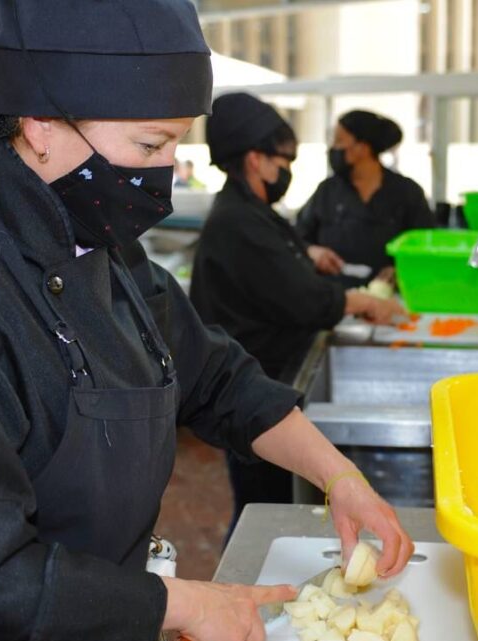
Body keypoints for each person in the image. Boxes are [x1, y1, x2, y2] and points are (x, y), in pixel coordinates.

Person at [0, 3, 412, 641]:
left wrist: (341, 477)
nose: (163, 172)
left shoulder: (96, 245)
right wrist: (180, 605)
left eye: (175, 143)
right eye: (150, 143)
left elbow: (217, 378)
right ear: (42, 124)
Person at [191, 93, 406, 535]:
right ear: (256, 159)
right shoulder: (239, 220)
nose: (286, 170)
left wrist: (305, 254)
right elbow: (305, 300)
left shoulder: (251, 213)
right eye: (283, 160)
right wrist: (365, 301)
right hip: (252, 388)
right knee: (261, 508)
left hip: (262, 381)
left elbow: (277, 273)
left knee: (263, 501)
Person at [297, 110, 435, 288]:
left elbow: (425, 245)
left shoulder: (407, 192)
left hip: (389, 297)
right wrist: (312, 251)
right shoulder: (327, 191)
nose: (333, 148)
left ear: (362, 147)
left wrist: (400, 269)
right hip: (332, 295)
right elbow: (296, 236)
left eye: (339, 141)